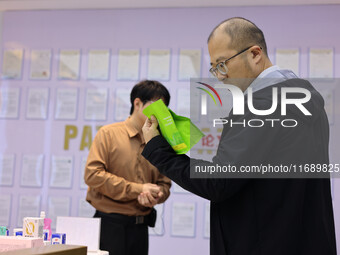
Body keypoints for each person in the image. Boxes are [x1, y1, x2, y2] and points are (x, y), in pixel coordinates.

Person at [141, 18, 337, 255]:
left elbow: (218, 182)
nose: (220, 76)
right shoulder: (306, 100)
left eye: (223, 64)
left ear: (255, 53)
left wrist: (157, 148)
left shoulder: (263, 105)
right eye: (214, 67)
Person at [84, 80, 172, 255]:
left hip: (140, 228)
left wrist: (157, 195)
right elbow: (93, 175)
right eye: (156, 108)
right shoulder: (108, 134)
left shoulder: (161, 141)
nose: (160, 114)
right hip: (109, 226)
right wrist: (138, 189)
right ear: (137, 103)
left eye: (164, 109)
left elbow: (165, 184)